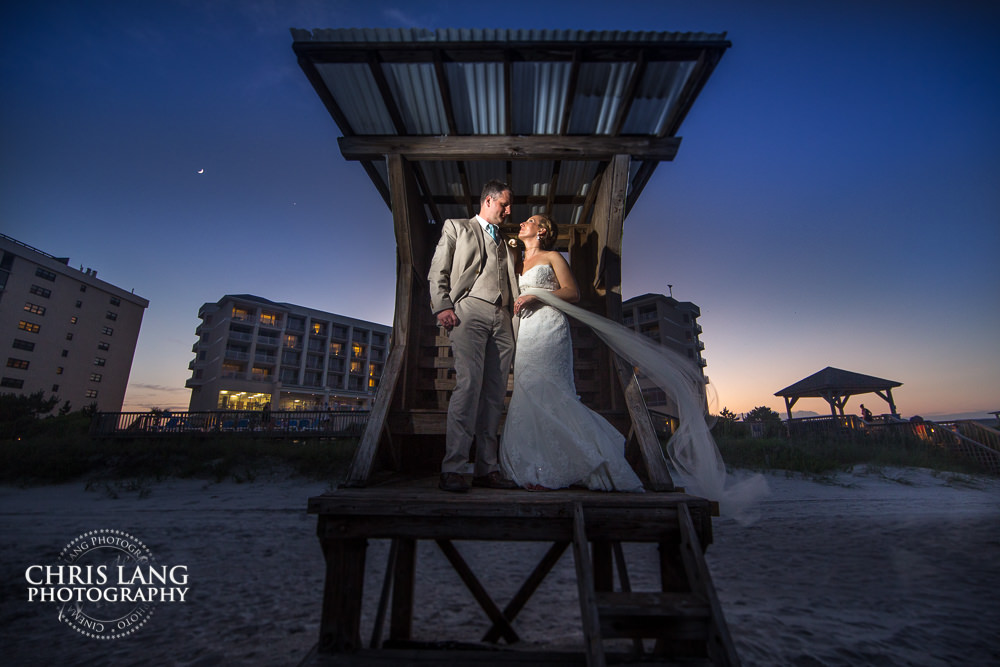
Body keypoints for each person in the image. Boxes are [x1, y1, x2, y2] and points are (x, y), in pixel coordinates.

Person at [501, 214, 644, 492]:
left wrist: (538, 295)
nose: (522, 223)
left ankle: (579, 462)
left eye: (530, 220)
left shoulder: (553, 256)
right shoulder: (515, 261)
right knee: (528, 391)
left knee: (552, 391)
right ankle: (537, 467)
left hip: (549, 327)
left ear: (542, 230)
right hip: (526, 333)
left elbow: (573, 293)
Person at [428, 179, 521, 493]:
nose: (509, 211)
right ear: (489, 200)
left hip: (503, 316)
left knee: (495, 395)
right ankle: (452, 468)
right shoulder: (457, 227)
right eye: (504, 205)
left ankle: (486, 469)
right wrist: (442, 306)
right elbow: (438, 269)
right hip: (469, 309)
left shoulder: (506, 242)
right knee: (468, 386)